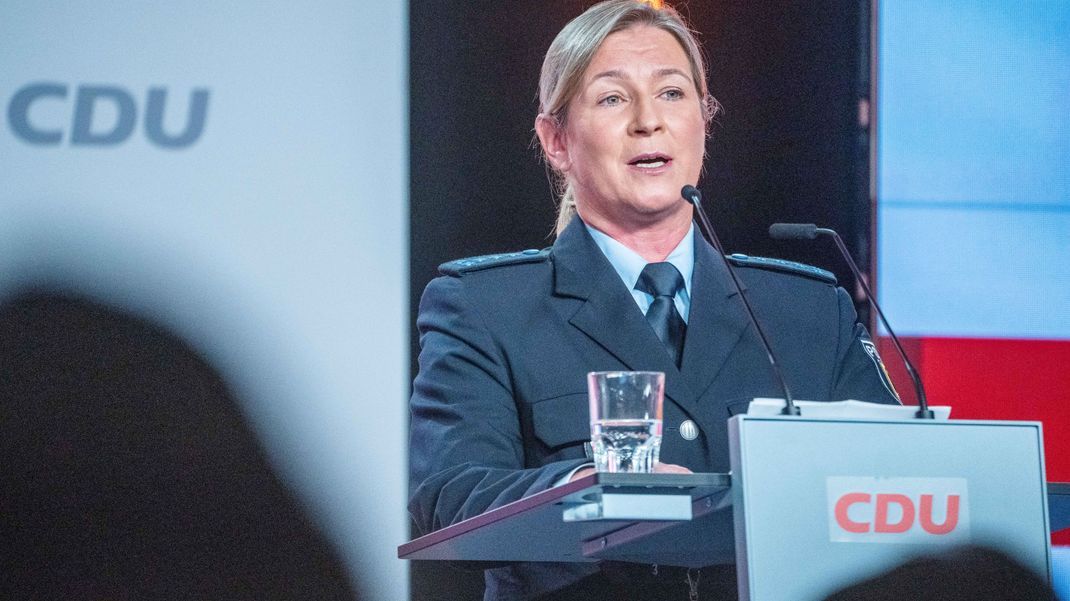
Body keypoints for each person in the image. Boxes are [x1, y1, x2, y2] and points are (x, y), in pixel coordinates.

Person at [408, 1, 900, 599]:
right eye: (613, 98)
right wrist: (594, 485)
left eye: (671, 93)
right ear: (555, 140)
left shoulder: (809, 310)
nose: (649, 121)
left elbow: (897, 480)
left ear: (704, 120)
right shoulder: (485, 308)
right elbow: (451, 498)